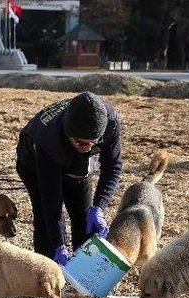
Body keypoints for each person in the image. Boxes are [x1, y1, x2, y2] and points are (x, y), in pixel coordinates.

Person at [15, 91, 123, 266]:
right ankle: (47, 270)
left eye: (92, 143)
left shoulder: (110, 123)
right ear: (68, 134)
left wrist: (99, 208)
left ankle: (82, 272)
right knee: (45, 219)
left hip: (78, 167)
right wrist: (59, 244)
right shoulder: (48, 141)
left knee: (84, 216)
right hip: (33, 165)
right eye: (80, 143)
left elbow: (113, 167)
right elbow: (51, 201)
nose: (87, 148)